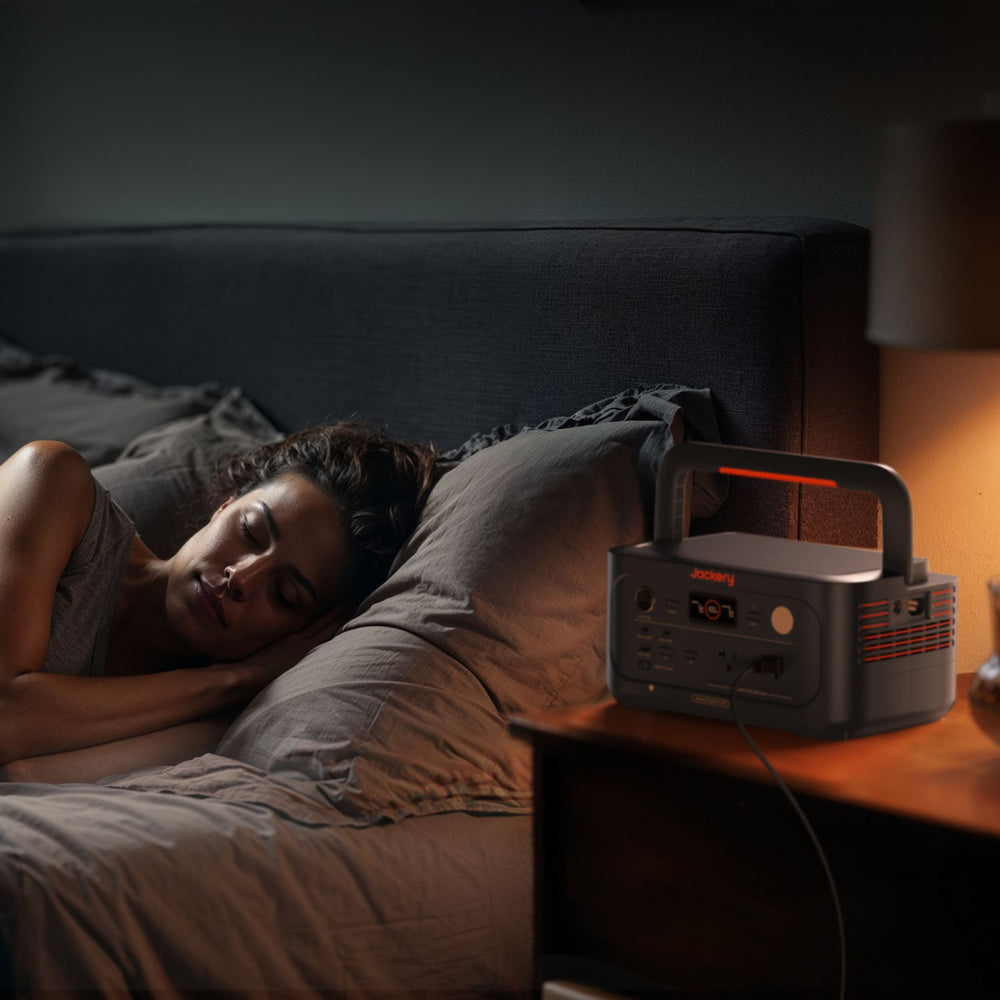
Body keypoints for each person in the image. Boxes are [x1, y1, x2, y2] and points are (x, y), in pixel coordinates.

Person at [0, 421, 438, 783]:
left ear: (303, 632)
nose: (241, 577)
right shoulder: (51, 479)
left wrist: (238, 686)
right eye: (250, 531)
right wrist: (233, 679)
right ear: (224, 506)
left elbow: (22, 780)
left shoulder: (219, 719)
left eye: (284, 594)